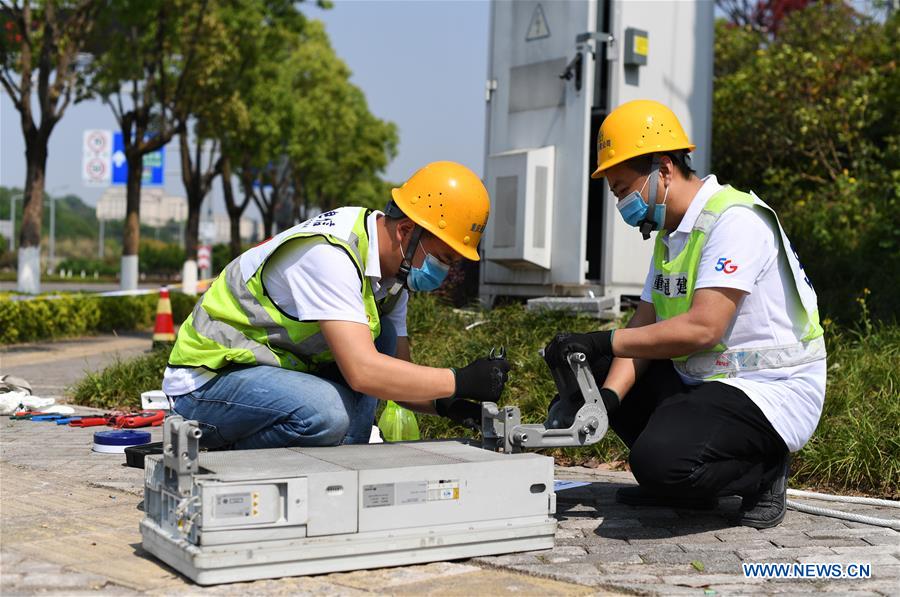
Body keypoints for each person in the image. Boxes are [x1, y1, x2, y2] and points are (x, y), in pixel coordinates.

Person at [543, 100, 826, 528]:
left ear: (664, 168)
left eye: (623, 190)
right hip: (708, 384)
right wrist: (608, 401)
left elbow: (702, 328)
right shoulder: (671, 235)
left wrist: (604, 339)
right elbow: (643, 324)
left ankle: (762, 473)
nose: (621, 204)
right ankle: (687, 483)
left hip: (768, 389)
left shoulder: (734, 222)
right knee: (597, 369)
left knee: (658, 462)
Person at [164, 161, 510, 449]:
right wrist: (458, 380)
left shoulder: (394, 278)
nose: (445, 271)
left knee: (384, 336)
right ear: (407, 230)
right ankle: (222, 459)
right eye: (442, 257)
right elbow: (363, 372)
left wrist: (446, 404)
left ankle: (346, 461)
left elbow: (397, 375)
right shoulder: (330, 254)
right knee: (325, 413)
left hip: (265, 377)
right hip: (205, 384)